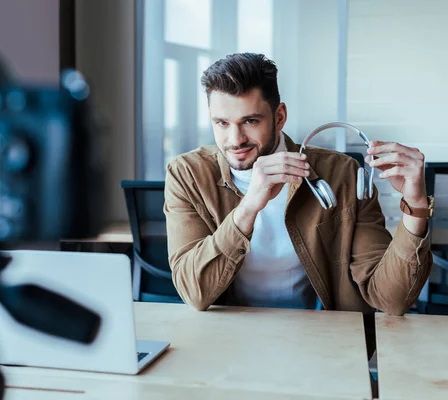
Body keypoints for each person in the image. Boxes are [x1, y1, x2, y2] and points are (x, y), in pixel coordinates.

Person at [163, 53, 433, 354]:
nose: (234, 139)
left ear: (279, 116)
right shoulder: (187, 173)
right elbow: (193, 292)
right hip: (230, 341)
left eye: (250, 121)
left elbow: (391, 299)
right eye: (221, 123)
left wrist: (416, 205)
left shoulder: (340, 174)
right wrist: (249, 205)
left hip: (324, 343)